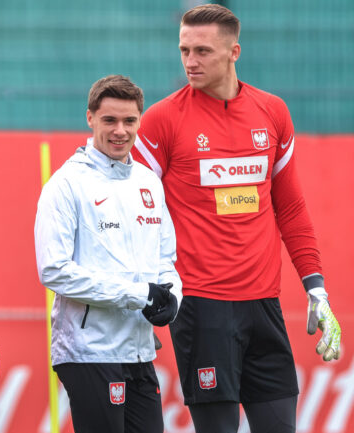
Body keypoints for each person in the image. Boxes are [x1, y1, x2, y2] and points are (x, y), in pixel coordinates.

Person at [131, 4, 342, 433]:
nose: (190, 61)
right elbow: (134, 213)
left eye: (203, 51)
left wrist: (316, 288)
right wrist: (138, 298)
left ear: (234, 52)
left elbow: (291, 209)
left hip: (264, 305)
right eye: (184, 50)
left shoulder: (273, 112)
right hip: (201, 307)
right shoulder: (161, 120)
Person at [35, 75, 182, 433]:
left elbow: (165, 258)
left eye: (129, 121)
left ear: (139, 121)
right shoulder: (66, 184)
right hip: (88, 352)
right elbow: (53, 270)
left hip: (139, 349)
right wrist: (138, 294)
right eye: (109, 120)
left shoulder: (149, 182)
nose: (120, 131)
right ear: (90, 118)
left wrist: (172, 295)